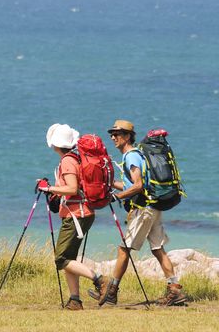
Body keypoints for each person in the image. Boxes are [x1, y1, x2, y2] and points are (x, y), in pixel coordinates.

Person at [94, 119, 186, 307]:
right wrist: (110, 185)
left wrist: (117, 197)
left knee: (124, 249)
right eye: (112, 134)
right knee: (158, 249)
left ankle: (112, 291)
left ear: (128, 136)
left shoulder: (131, 157)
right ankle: (174, 289)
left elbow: (138, 185)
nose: (113, 137)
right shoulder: (135, 156)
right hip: (152, 207)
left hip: (143, 210)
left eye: (117, 134)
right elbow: (132, 184)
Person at [39, 123, 106, 311]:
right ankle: (75, 300)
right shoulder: (76, 157)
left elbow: (71, 188)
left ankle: (100, 280)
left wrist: (49, 188)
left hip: (76, 215)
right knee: (70, 259)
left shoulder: (67, 161)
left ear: (55, 145)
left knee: (61, 259)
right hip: (81, 213)